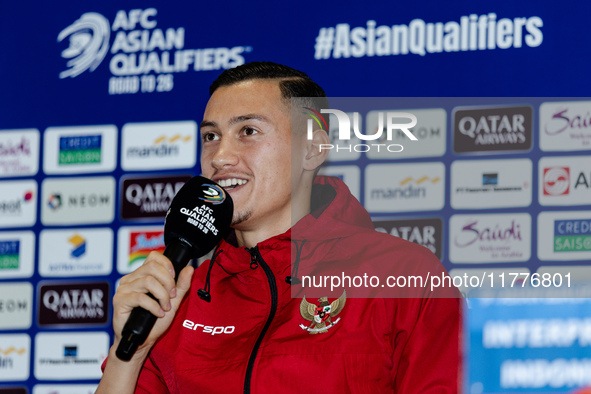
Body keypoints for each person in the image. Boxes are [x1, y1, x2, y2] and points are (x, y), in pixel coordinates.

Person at [97, 61, 461, 393]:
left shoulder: (403, 275)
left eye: (248, 131)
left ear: (314, 148)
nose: (220, 156)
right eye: (211, 136)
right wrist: (127, 354)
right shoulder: (179, 296)